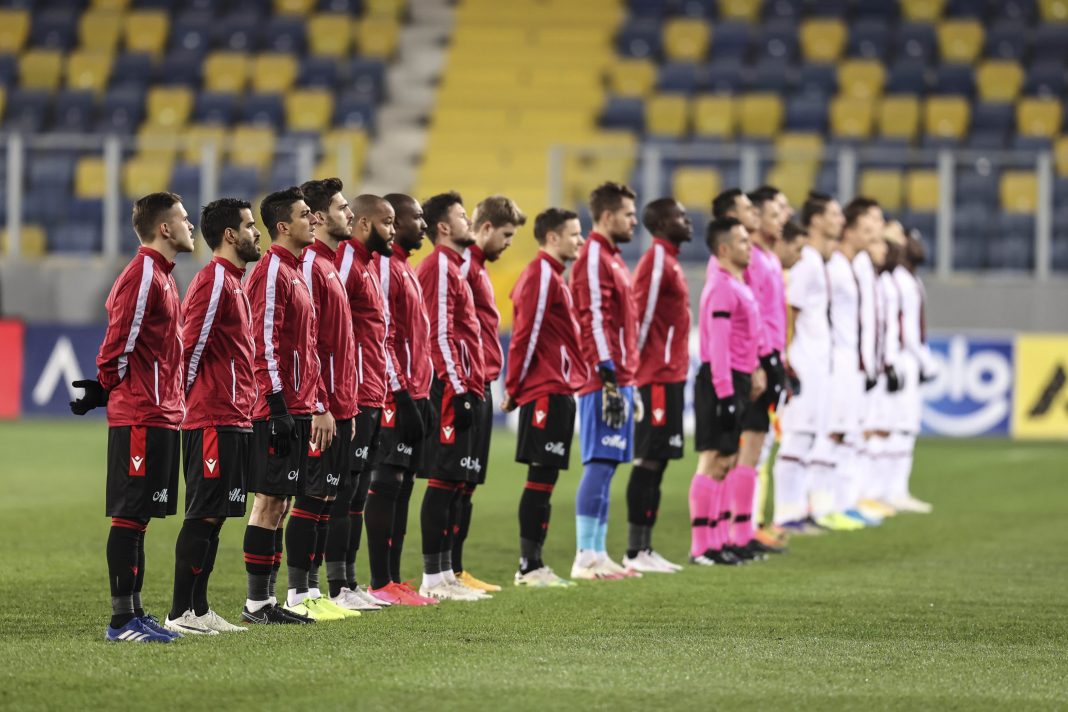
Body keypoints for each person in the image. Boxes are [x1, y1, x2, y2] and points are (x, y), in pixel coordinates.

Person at [71, 191, 194, 643]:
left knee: (139, 517)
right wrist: (105, 386)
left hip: (159, 412)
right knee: (128, 516)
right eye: (183, 218)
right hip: (141, 413)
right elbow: (118, 339)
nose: (190, 226)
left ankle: (136, 613)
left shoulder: (163, 276)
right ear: (164, 228)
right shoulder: (143, 274)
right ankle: (121, 621)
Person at [164, 198, 261, 635]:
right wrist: (184, 406)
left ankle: (199, 609)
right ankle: (179, 612)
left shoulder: (236, 281)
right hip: (210, 418)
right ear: (230, 235)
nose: (256, 233)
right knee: (203, 513)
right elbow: (189, 348)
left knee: (216, 515)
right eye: (250, 225)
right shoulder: (214, 281)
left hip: (234, 415)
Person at [241, 186, 334, 625]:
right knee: (268, 502)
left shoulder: (295, 271)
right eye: (304, 214)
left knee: (279, 504)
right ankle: (256, 603)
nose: (313, 220)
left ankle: (267, 601)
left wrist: (313, 401)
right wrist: (277, 404)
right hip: (276, 407)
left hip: (296, 404)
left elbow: (307, 349)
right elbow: (263, 342)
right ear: (283, 226)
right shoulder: (273, 271)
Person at [295, 178, 369, 617]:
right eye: (342, 208)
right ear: (320, 217)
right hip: (319, 408)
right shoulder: (311, 265)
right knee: (312, 497)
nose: (350, 214)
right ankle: (299, 593)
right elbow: (308, 344)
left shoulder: (329, 264)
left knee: (327, 499)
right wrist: (321, 404)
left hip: (340, 406)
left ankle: (314, 592)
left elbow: (340, 344)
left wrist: (347, 406)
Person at [502, 208, 587, 587]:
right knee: (540, 476)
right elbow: (526, 333)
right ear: (552, 237)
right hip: (544, 390)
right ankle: (529, 566)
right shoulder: (540, 275)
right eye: (574, 234)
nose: (580, 240)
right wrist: (514, 386)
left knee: (546, 477)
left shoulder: (553, 276)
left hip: (558, 388)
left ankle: (534, 564)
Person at [332, 194, 408, 608]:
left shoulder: (369, 264)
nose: (394, 230)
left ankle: (349, 582)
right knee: (344, 490)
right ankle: (336, 586)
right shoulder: (347, 261)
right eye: (388, 222)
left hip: (373, 392)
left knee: (358, 492)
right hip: (354, 393)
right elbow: (329, 325)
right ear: (364, 224)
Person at [415, 191, 489, 601]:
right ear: (443, 227)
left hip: (463, 384)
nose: (469, 221)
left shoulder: (454, 267)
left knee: (456, 481)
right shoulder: (440, 266)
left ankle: (445, 574)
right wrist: (459, 389)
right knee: (444, 480)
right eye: (462, 216)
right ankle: (433, 577)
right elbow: (439, 333)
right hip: (449, 387)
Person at [365, 194, 437, 606]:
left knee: (404, 482)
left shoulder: (405, 267)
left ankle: (391, 578)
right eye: (416, 217)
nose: (422, 224)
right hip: (397, 391)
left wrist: (422, 393)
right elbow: (384, 337)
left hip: (416, 390)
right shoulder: (385, 266)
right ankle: (379, 581)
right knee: (388, 479)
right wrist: (401, 393)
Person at [452, 195, 526, 593]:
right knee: (452, 481)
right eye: (507, 235)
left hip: (480, 382)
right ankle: (441, 571)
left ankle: (454, 570)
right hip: (465, 384)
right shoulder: (463, 266)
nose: (509, 244)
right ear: (485, 228)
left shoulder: (477, 268)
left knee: (467, 483)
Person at [689, 218, 765, 566]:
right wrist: (724, 392)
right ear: (723, 249)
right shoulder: (722, 287)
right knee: (713, 460)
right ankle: (701, 547)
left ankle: (719, 541)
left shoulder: (737, 284)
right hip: (722, 379)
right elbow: (718, 345)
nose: (749, 246)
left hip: (738, 379)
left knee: (727, 461)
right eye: (742, 241)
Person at [624, 198, 691, 574]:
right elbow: (641, 317)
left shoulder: (671, 261)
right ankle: (635, 550)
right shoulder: (657, 261)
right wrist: (634, 371)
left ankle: (645, 547)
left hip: (671, 375)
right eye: (681, 216)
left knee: (660, 461)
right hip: (655, 377)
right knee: (648, 459)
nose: (688, 221)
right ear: (663, 223)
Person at [721, 186, 787, 562]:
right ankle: (734, 529)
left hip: (769, 355)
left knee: (756, 450)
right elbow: (752, 315)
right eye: (772, 213)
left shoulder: (767, 259)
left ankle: (744, 527)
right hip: (753, 360)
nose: (781, 219)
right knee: (740, 451)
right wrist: (760, 360)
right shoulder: (748, 263)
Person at [772, 192, 840, 534]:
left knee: (808, 436)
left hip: (815, 359)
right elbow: (790, 310)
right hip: (802, 359)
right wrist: (785, 358)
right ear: (816, 220)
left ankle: (799, 508)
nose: (840, 220)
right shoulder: (807, 261)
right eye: (834, 214)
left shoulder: (817, 260)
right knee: (797, 436)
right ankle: (787, 512)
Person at [818, 197, 881, 531]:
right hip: (838, 362)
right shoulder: (835, 267)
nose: (873, 237)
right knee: (833, 435)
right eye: (867, 230)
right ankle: (822, 505)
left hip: (855, 363)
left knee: (849, 436)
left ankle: (843, 503)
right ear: (850, 231)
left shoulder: (855, 266)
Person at [889, 228, 936, 514]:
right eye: (911, 238)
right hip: (901, 358)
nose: (918, 244)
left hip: (907, 359)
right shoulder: (900, 280)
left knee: (905, 427)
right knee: (897, 427)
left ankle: (897, 490)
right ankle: (890, 491)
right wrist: (926, 361)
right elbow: (907, 330)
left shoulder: (910, 279)